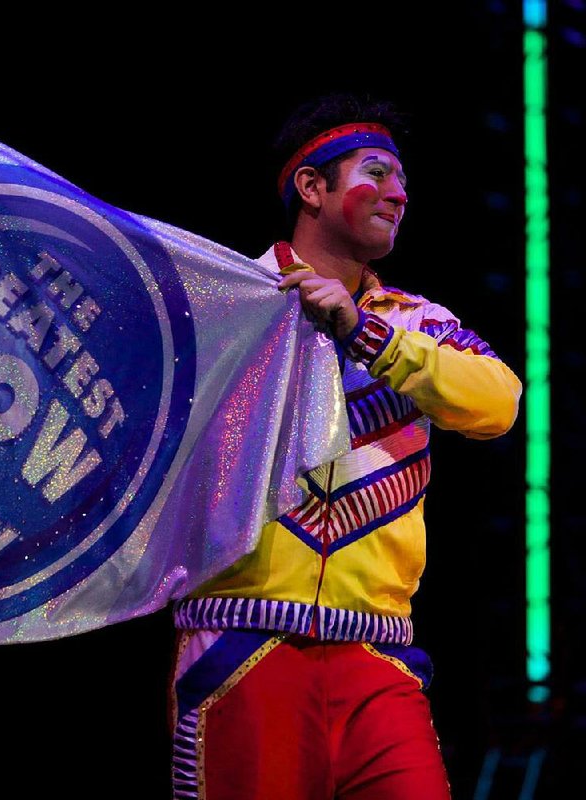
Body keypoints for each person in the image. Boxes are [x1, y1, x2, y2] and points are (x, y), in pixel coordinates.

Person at [165, 93, 522, 799]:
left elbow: (497, 402)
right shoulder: (224, 304)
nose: (400, 193)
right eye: (377, 173)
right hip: (243, 646)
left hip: (377, 657)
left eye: (403, 182)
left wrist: (366, 332)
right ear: (312, 187)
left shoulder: (418, 321)